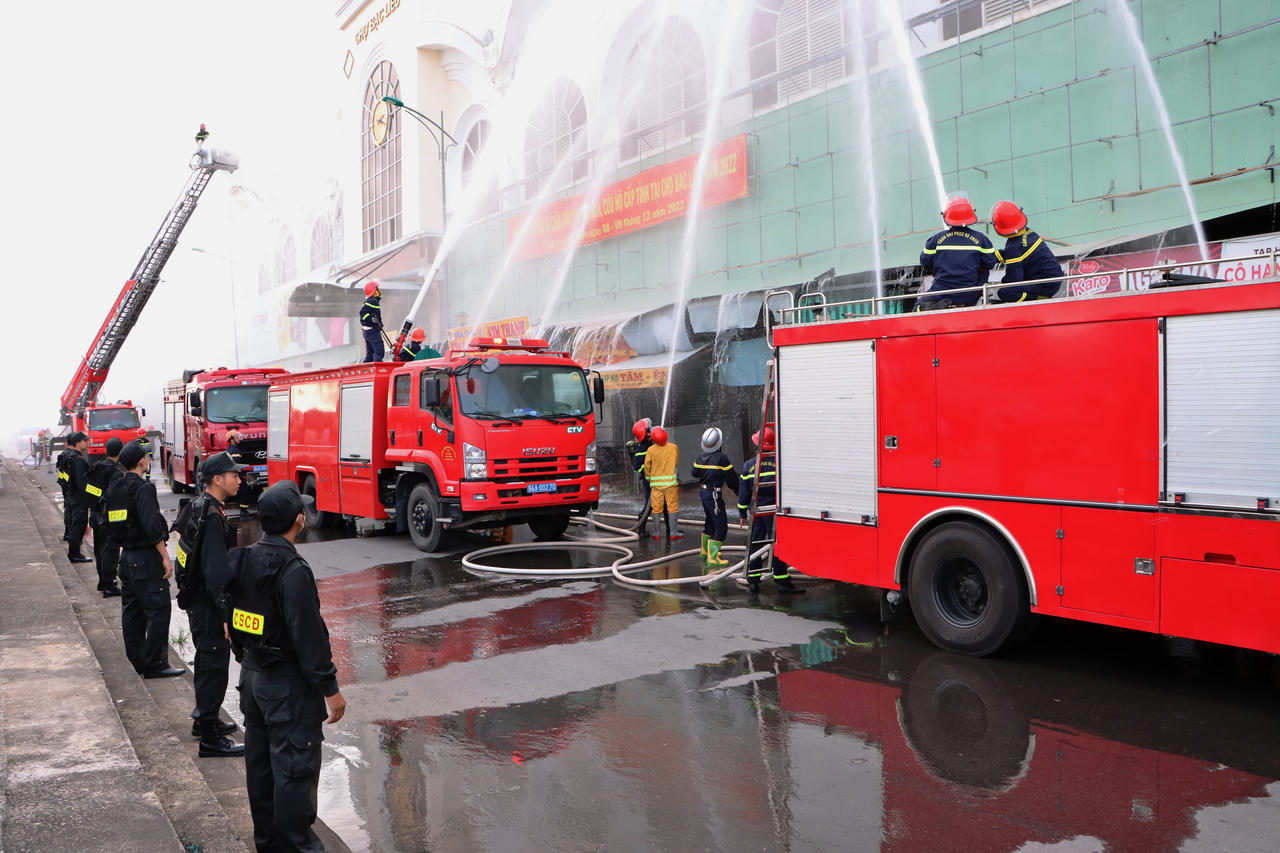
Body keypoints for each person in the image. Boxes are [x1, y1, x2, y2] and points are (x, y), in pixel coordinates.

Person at [226, 480, 346, 852]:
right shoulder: (293, 570)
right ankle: (297, 847)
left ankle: (268, 844)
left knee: (261, 771)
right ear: (298, 520)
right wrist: (331, 690)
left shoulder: (244, 557)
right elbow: (308, 638)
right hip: (287, 689)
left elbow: (231, 619)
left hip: (253, 681)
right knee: (294, 772)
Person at [174, 452, 246, 757]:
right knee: (214, 664)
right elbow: (216, 574)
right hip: (206, 603)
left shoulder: (198, 506)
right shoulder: (212, 516)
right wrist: (225, 614)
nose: (240, 480)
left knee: (207, 660)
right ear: (217, 480)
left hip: (196, 599)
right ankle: (210, 739)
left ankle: (205, 720)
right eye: (234, 475)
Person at [105, 441, 183, 678]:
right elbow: (151, 526)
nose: (148, 461)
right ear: (141, 461)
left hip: (126, 558)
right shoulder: (143, 488)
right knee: (159, 610)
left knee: (132, 611)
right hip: (145, 557)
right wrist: (165, 558)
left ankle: (137, 661)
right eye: (147, 458)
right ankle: (156, 664)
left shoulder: (115, 487)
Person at [737, 428, 802, 595]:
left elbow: (744, 493)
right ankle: (782, 581)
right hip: (775, 512)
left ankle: (753, 581)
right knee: (778, 545)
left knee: (756, 544)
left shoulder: (749, 465)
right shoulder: (781, 463)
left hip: (758, 511)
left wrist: (742, 514)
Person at [916, 192, 997, 310]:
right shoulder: (981, 239)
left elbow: (925, 262)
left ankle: (936, 308)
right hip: (970, 293)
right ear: (971, 214)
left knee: (918, 308)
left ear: (947, 216)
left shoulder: (936, 239)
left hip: (941, 291)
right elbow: (990, 263)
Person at [989, 200, 1063, 302]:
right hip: (1052, 279)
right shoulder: (1027, 232)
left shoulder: (1014, 246)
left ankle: (1038, 298)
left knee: (1005, 292)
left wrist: (1002, 283)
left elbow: (1014, 280)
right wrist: (991, 256)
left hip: (1045, 285)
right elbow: (1016, 254)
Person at [691, 427, 739, 570]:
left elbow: (694, 472)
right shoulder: (722, 458)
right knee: (721, 525)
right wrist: (740, 492)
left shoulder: (701, 456)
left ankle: (705, 551)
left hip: (704, 493)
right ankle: (713, 558)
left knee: (710, 522)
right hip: (714, 496)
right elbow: (731, 480)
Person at [85, 437, 126, 596]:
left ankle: (103, 581)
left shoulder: (96, 467)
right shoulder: (115, 473)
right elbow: (116, 499)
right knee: (110, 551)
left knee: (99, 550)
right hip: (108, 518)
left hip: (95, 515)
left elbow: (89, 490)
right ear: (120, 452)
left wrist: (95, 506)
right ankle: (109, 585)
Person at [642, 426, 682, 542]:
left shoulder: (650, 450)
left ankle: (657, 533)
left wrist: (649, 479)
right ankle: (674, 533)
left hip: (656, 486)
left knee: (656, 509)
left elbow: (647, 467)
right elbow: (676, 462)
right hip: (671, 485)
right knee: (672, 508)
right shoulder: (673, 447)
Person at [62, 432, 93, 563]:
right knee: (78, 526)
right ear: (78, 443)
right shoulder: (78, 460)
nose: (87, 443)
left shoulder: (67, 457)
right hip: (78, 499)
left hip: (70, 495)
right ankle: (74, 554)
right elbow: (83, 484)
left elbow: (62, 478)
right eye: (85, 441)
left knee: (73, 524)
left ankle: (75, 552)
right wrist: (95, 496)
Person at [624, 418, 653, 534]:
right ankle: (641, 528)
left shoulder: (650, 443)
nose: (650, 431)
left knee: (665, 505)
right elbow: (637, 466)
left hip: (656, 480)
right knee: (649, 505)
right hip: (649, 480)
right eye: (648, 430)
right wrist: (646, 471)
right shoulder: (642, 448)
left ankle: (671, 529)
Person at [360, 280, 384, 362]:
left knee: (370, 352)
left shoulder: (372, 301)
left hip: (368, 331)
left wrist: (379, 323)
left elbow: (375, 315)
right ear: (375, 291)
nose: (379, 290)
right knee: (379, 351)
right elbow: (362, 313)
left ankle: (366, 365)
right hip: (372, 331)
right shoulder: (372, 301)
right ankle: (378, 366)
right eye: (377, 289)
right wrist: (371, 320)